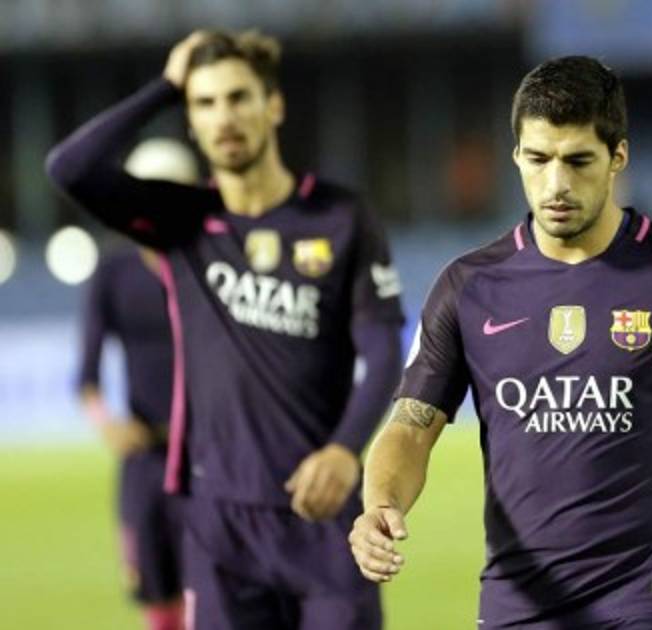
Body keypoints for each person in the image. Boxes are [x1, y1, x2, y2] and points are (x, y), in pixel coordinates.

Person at [347, 56, 652, 630]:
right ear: (516, 157)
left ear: (617, 157)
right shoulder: (468, 288)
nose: (556, 184)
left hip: (646, 591)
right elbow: (410, 425)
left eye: (578, 161)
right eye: (538, 159)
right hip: (518, 601)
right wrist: (380, 504)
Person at [47, 30, 404, 630]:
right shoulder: (182, 219)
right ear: (190, 121)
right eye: (205, 103)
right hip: (220, 528)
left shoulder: (341, 217)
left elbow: (382, 347)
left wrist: (346, 450)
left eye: (239, 97)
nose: (224, 117)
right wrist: (166, 86)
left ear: (274, 105)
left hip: (324, 514)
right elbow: (69, 168)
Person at [78, 137, 198, 630]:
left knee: (210, 596)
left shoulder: (211, 263)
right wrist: (107, 424)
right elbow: (86, 375)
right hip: (145, 463)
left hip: (210, 457)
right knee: (157, 598)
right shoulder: (114, 270)